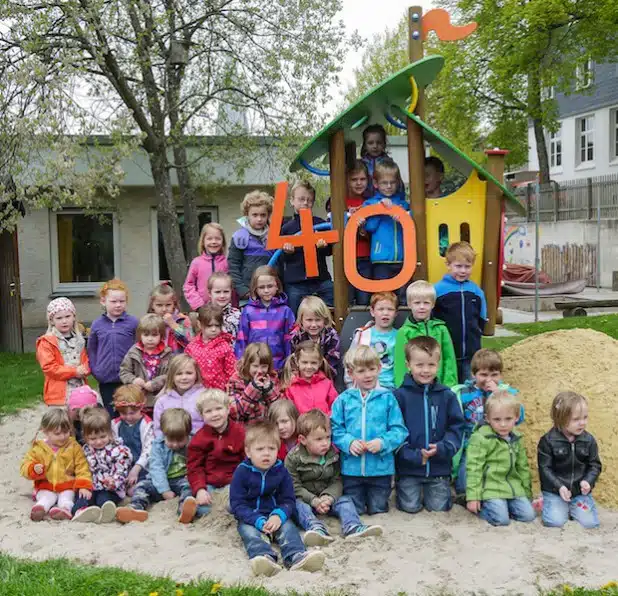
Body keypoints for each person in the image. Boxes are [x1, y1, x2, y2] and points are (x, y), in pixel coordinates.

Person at [230, 421, 325, 576]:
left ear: (278, 449)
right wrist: (257, 520)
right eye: (260, 449)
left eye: (271, 448)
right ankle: (264, 557)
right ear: (248, 451)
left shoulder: (281, 471)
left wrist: (278, 515)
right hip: (251, 517)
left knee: (288, 528)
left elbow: (288, 500)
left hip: (275, 514)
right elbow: (237, 504)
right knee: (249, 533)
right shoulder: (242, 472)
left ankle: (295, 556)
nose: (266, 453)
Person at [286, 409, 383, 545]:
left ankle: (352, 526)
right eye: (319, 439)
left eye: (328, 437)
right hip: (306, 498)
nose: (325, 443)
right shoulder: (293, 458)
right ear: (303, 439)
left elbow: (337, 480)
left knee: (345, 500)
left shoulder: (332, 454)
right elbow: (293, 486)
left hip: (327, 498)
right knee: (297, 505)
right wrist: (314, 500)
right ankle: (316, 528)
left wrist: (329, 497)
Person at [331, 346, 407, 515]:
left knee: (378, 509)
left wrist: (383, 442)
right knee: (355, 509)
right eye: (361, 371)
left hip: (381, 469)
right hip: (352, 469)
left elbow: (399, 430)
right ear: (351, 374)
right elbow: (335, 429)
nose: (368, 375)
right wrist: (349, 443)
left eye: (372, 369)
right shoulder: (343, 400)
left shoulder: (388, 398)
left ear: (379, 368)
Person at [393, 337, 464, 514]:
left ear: (438, 365)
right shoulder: (399, 396)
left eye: (431, 365)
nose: (425, 370)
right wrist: (411, 455)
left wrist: (442, 448)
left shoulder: (447, 396)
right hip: (409, 468)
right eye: (420, 365)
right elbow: (394, 430)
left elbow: (456, 427)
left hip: (439, 467)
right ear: (408, 365)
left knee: (438, 508)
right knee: (409, 507)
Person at [452, 348, 522, 496]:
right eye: (483, 374)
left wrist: (499, 394)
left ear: (501, 375)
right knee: (464, 488)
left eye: (494, 375)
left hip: (498, 446)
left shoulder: (507, 393)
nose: (488, 379)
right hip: (471, 447)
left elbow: (519, 416)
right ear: (473, 374)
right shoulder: (464, 393)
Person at [116, 408, 199, 524]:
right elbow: (156, 468)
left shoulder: (194, 443)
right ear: (164, 434)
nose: (175, 445)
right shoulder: (158, 445)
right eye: (170, 440)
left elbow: (196, 464)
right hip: (160, 481)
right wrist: (164, 490)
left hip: (182, 480)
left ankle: (184, 511)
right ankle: (135, 509)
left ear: (187, 433)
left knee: (189, 488)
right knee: (142, 486)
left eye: (180, 440)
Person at [465, 392, 536, 526]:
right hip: (490, 489)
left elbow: (523, 467)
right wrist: (473, 497)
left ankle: (504, 507)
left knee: (528, 516)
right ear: (487, 418)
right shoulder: (481, 438)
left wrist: (526, 493)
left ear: (516, 417)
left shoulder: (517, 438)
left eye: (508, 419)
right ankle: (481, 507)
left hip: (513, 488)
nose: (503, 424)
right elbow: (474, 468)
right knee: (501, 520)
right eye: (497, 419)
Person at [538, 391, 602, 529]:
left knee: (590, 523)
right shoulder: (548, 441)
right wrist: (559, 486)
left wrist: (588, 481)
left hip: (579, 493)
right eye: (576, 419)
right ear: (560, 418)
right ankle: (548, 502)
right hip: (556, 491)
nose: (582, 423)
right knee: (555, 522)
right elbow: (545, 468)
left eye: (585, 417)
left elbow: (594, 465)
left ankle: (572, 507)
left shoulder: (588, 440)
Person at [20, 408, 92, 521]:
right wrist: (33, 468)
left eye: (66, 432)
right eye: (57, 433)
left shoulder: (73, 446)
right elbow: (25, 465)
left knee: (66, 498)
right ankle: (40, 509)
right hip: (45, 485)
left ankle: (64, 510)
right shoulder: (38, 448)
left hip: (67, 485)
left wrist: (84, 485)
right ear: (45, 431)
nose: (63, 436)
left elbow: (82, 467)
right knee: (46, 498)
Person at [186, 389, 246, 520]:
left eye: (218, 409)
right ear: (202, 415)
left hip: (233, 482)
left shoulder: (240, 433)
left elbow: (247, 461)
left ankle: (229, 508)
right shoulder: (199, 438)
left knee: (235, 503)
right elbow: (195, 467)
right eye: (208, 411)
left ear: (228, 409)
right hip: (209, 483)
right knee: (201, 504)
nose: (214, 414)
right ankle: (191, 508)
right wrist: (200, 489)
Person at [433, 242, 487, 383]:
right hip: (447, 351)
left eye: (467, 267)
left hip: (471, 353)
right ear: (448, 265)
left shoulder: (476, 291)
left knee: (470, 386)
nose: (463, 271)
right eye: (458, 266)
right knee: (449, 386)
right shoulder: (437, 290)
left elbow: (481, 318)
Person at [280, 181, 334, 315]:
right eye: (301, 199)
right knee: (294, 310)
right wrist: (287, 252)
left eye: (309, 200)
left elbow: (330, 251)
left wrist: (323, 246)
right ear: (292, 201)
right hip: (296, 282)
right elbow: (279, 257)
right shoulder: (286, 228)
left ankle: (331, 330)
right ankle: (295, 334)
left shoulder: (320, 224)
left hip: (320, 279)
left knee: (334, 295)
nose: (305, 203)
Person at [72, 407, 133, 523]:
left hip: (110, 488)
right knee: (82, 498)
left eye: (103, 437)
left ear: (110, 433)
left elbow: (121, 470)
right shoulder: (85, 451)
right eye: (93, 439)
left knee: (103, 499)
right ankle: (81, 513)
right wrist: (84, 486)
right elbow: (81, 469)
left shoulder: (118, 450)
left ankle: (106, 513)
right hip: (91, 486)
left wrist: (113, 481)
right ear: (85, 437)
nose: (99, 442)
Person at [88, 279, 139, 416]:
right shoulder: (97, 324)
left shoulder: (133, 323)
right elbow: (92, 350)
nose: (118, 305)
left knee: (129, 412)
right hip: (106, 379)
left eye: (121, 301)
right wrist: (96, 370)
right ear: (103, 301)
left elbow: (139, 347)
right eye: (113, 301)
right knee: (111, 413)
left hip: (128, 378)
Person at [363, 160, 411, 305]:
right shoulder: (370, 204)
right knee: (383, 295)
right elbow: (369, 227)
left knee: (402, 296)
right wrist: (380, 210)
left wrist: (403, 217)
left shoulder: (402, 204)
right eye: (384, 183)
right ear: (376, 184)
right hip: (381, 259)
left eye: (392, 182)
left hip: (402, 259)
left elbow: (412, 226)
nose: (389, 186)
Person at [394, 281, 457, 388]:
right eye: (417, 303)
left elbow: (449, 359)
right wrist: (403, 389)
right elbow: (400, 363)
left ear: (433, 304)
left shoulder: (441, 329)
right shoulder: (404, 332)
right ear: (409, 304)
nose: (422, 307)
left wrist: (450, 386)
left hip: (439, 386)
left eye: (426, 303)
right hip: (414, 388)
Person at [326, 160, 372, 305]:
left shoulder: (369, 203)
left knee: (364, 298)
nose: (359, 183)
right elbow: (333, 228)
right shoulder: (339, 202)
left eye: (362, 179)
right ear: (346, 180)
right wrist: (348, 218)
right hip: (345, 257)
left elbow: (375, 233)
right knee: (346, 298)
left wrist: (363, 229)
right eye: (354, 179)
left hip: (365, 257)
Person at [235, 265, 295, 371]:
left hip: (279, 365)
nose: (266, 290)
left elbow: (289, 340)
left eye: (270, 286)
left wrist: (289, 364)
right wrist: (241, 361)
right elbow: (242, 338)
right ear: (255, 289)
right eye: (261, 287)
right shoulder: (248, 311)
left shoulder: (285, 311)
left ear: (277, 286)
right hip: (255, 366)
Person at [36, 297, 89, 407]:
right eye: (59, 318)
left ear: (74, 317)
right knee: (61, 423)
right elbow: (49, 367)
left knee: (81, 422)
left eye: (67, 316)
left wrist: (86, 369)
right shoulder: (47, 341)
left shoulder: (79, 340)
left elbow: (85, 361)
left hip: (80, 390)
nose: (64, 321)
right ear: (52, 320)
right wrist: (74, 372)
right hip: (59, 395)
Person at [119, 314, 173, 415]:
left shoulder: (167, 353)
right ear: (140, 335)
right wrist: (133, 380)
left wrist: (155, 383)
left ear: (161, 335)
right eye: (146, 335)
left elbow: (170, 375)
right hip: (137, 399)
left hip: (159, 398)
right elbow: (124, 371)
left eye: (154, 335)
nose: (150, 339)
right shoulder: (133, 352)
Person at [228, 190, 275, 302]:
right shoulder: (239, 238)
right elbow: (233, 266)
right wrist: (243, 291)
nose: (259, 219)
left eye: (263, 215)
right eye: (254, 215)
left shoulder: (274, 236)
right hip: (248, 295)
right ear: (247, 214)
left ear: (268, 215)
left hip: (271, 293)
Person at [345, 292, 399, 390]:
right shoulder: (362, 334)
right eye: (381, 309)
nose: (385, 313)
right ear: (372, 311)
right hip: (366, 386)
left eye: (390, 309)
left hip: (391, 387)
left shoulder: (400, 336)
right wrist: (351, 386)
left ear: (396, 313)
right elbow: (350, 361)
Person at [111, 385, 154, 494]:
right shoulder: (115, 425)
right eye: (124, 414)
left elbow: (148, 451)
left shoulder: (147, 425)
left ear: (140, 408)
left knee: (133, 490)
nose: (128, 417)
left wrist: (136, 468)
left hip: (142, 467)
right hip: (123, 466)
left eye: (132, 413)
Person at [185, 304, 236, 390]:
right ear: (199, 324)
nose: (213, 329)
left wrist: (230, 391)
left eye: (217, 325)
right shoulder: (192, 347)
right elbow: (185, 368)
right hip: (196, 392)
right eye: (209, 326)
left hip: (219, 393)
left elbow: (231, 372)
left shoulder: (225, 347)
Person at [228, 342, 281, 424]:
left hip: (267, 429)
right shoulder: (236, 380)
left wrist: (270, 390)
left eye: (264, 366)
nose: (259, 371)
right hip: (246, 430)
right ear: (247, 365)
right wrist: (252, 389)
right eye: (255, 366)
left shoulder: (272, 379)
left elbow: (279, 410)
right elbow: (235, 413)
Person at [153, 354, 205, 438]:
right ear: (172, 376)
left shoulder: (204, 397)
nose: (184, 377)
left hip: (199, 446)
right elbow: (158, 430)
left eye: (189, 373)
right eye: (179, 374)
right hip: (171, 447)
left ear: (196, 374)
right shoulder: (162, 401)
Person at [290, 296, 341, 377]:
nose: (313, 325)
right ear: (301, 320)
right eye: (309, 320)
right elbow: (292, 361)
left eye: (317, 320)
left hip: (325, 377)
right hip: (301, 377)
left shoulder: (331, 336)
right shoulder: (296, 336)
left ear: (324, 320)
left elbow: (333, 362)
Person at [283, 341, 338, 416]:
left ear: (320, 362)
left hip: (324, 426)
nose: (309, 367)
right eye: (305, 362)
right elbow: (289, 414)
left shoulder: (327, 384)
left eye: (313, 363)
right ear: (297, 361)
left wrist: (326, 419)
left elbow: (336, 407)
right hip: (300, 427)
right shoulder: (290, 387)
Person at [183, 222, 229, 311]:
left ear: (223, 241)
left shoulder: (227, 263)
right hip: (203, 310)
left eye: (218, 238)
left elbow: (232, 288)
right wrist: (199, 305)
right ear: (203, 241)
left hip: (224, 310)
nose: (214, 242)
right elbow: (188, 285)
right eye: (209, 239)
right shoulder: (196, 263)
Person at [147, 283, 193, 353]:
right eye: (159, 305)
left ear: (174, 304)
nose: (164, 309)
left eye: (168, 305)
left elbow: (191, 342)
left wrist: (173, 325)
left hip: (177, 361)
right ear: (152, 305)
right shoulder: (149, 322)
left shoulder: (183, 320)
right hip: (156, 361)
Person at [207, 272, 241, 342]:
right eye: (217, 292)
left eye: (226, 291)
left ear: (231, 292)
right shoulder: (204, 315)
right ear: (210, 293)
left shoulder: (237, 315)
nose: (222, 296)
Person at [360, 124, 390, 198]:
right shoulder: (361, 164)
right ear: (365, 145)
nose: (375, 146)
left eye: (379, 143)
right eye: (370, 143)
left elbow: (397, 183)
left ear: (384, 144)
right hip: (365, 201)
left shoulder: (389, 163)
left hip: (385, 201)